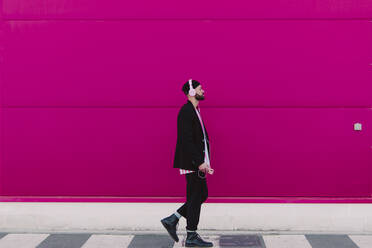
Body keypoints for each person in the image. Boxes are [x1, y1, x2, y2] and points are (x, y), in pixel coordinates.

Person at [161, 79, 214, 247]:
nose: (203, 91)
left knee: (199, 195)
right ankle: (191, 234)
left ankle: (173, 219)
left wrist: (205, 161)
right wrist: (199, 162)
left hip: (196, 162)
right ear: (191, 92)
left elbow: (199, 140)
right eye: (200, 89)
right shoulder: (186, 111)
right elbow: (186, 140)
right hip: (192, 163)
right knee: (196, 196)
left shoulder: (194, 110)